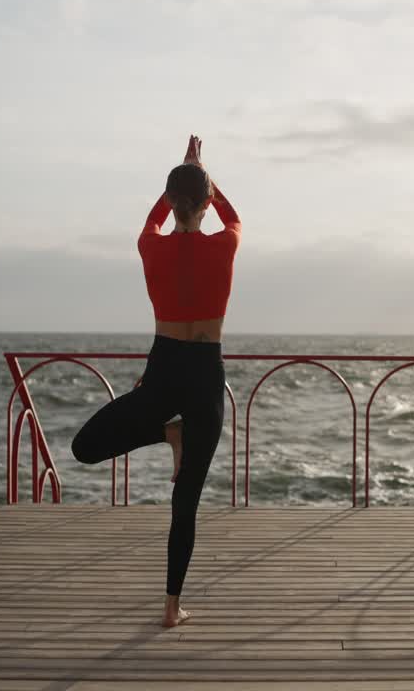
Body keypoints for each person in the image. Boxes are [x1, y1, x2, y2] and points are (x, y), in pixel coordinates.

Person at [71, 135, 241, 628]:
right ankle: (171, 607)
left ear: (170, 202)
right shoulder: (226, 241)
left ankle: (168, 433)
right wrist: (205, 172)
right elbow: (233, 217)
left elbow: (153, 221)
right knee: (184, 500)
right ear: (206, 203)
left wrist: (181, 181)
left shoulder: (149, 243)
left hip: (165, 367)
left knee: (85, 446)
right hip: (206, 373)